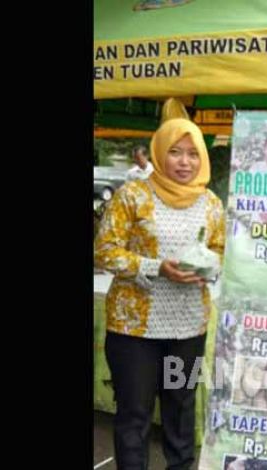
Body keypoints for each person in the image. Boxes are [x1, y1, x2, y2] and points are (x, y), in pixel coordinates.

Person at [94, 118, 225, 470]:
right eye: (175, 153)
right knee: (134, 415)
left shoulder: (212, 203)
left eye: (193, 154)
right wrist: (156, 268)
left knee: (180, 410)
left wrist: (208, 268)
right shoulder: (131, 195)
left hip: (187, 331)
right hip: (135, 334)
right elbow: (104, 251)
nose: (185, 162)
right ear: (158, 154)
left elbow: (219, 250)